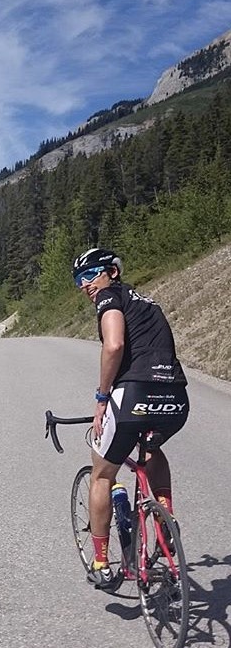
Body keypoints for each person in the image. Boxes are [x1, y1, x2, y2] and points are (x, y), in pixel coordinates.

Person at [72, 248, 190, 589]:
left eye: (91, 274)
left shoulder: (108, 297)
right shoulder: (148, 303)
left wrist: (101, 397)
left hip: (133, 396)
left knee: (102, 473)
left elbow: (114, 345)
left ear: (112, 271)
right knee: (151, 449)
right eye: (79, 279)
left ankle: (101, 563)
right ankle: (165, 514)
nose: (85, 285)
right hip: (176, 397)